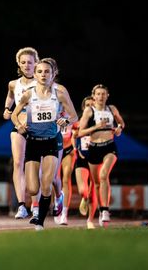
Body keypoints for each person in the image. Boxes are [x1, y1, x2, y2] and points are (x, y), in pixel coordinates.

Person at [11, 58, 78, 230]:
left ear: (53, 74)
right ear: (34, 74)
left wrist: (65, 120)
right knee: (33, 189)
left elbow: (74, 116)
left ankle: (40, 222)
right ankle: (53, 198)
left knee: (46, 184)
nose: (43, 75)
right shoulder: (28, 94)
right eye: (39, 72)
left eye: (47, 72)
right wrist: (19, 126)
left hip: (51, 142)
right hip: (33, 142)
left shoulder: (59, 94)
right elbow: (14, 114)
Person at [77, 84, 125, 228]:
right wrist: (96, 127)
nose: (101, 96)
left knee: (104, 175)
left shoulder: (112, 109)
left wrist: (119, 129)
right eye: (98, 94)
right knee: (96, 184)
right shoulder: (89, 111)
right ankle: (98, 211)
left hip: (110, 147)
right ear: (94, 96)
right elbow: (80, 132)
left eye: (103, 94)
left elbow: (121, 122)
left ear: (107, 95)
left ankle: (105, 210)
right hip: (94, 148)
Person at [2, 47, 39, 219]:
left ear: (36, 63)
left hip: (37, 128)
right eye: (23, 62)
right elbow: (10, 96)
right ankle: (22, 206)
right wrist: (6, 109)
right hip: (18, 126)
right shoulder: (13, 84)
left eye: (30, 62)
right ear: (19, 64)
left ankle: (37, 205)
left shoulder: (42, 83)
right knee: (18, 163)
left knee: (35, 166)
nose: (26, 65)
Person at [72, 96, 95, 225]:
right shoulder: (78, 123)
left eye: (92, 105)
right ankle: (84, 198)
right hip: (81, 158)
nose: (90, 107)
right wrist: (75, 150)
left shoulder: (100, 123)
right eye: (87, 105)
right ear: (83, 108)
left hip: (96, 158)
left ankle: (91, 219)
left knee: (94, 189)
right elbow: (73, 136)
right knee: (83, 190)